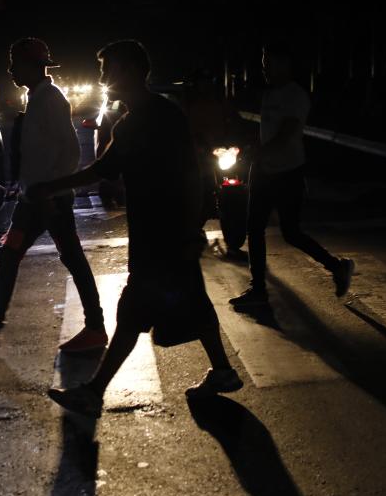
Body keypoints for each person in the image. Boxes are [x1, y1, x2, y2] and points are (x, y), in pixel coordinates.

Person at [32, 40, 242, 419]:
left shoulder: (152, 118)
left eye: (106, 70)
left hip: (163, 234)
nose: (102, 79)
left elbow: (185, 172)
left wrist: (192, 225)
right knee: (192, 301)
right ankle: (224, 371)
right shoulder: (145, 118)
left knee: (133, 312)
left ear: (127, 71)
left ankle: (94, 392)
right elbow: (106, 170)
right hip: (162, 231)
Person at [0, 38, 106, 353]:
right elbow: (42, 155)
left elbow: (70, 151)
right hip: (34, 199)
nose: (10, 70)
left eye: (15, 64)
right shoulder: (37, 98)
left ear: (32, 66)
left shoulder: (50, 100)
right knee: (14, 256)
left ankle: (94, 327)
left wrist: (51, 190)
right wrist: (22, 187)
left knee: (67, 258)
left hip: (48, 200)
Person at [229, 41, 354, 309]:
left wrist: (258, 153)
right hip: (263, 172)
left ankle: (337, 266)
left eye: (269, 64)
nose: (265, 70)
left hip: (288, 173)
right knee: (254, 229)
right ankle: (258, 289)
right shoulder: (270, 94)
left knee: (292, 233)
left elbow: (286, 135)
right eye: (263, 65)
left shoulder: (296, 96)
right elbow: (267, 132)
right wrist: (254, 151)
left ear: (285, 64)